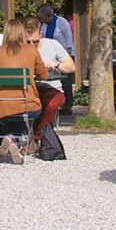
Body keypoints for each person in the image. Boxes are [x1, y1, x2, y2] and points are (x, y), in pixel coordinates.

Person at [0, 18, 49, 164]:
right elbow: (44, 75)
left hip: (1, 105)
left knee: (14, 111)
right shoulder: (31, 50)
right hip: (26, 103)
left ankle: (12, 141)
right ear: (22, 33)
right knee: (29, 110)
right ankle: (13, 139)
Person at [24, 17, 75, 149]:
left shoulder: (53, 45)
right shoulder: (20, 49)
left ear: (40, 34)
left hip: (52, 87)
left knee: (50, 104)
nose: (31, 45)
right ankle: (12, 137)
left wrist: (57, 64)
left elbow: (71, 67)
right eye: (27, 41)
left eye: (35, 41)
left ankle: (35, 138)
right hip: (29, 89)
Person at [38, 4, 75, 113]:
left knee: (66, 81)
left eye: (42, 17)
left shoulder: (61, 22)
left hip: (62, 54)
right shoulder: (44, 26)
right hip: (50, 57)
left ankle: (68, 106)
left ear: (47, 15)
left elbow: (69, 39)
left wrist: (67, 55)